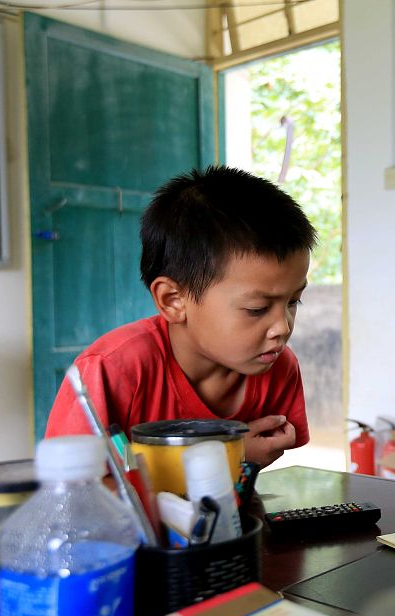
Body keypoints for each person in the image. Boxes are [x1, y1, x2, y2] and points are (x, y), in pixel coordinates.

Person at [44, 165, 317, 469]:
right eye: (257, 309)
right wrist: (229, 456)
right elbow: (71, 489)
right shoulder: (111, 371)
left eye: (294, 301)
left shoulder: (277, 367)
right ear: (173, 300)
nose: (283, 327)